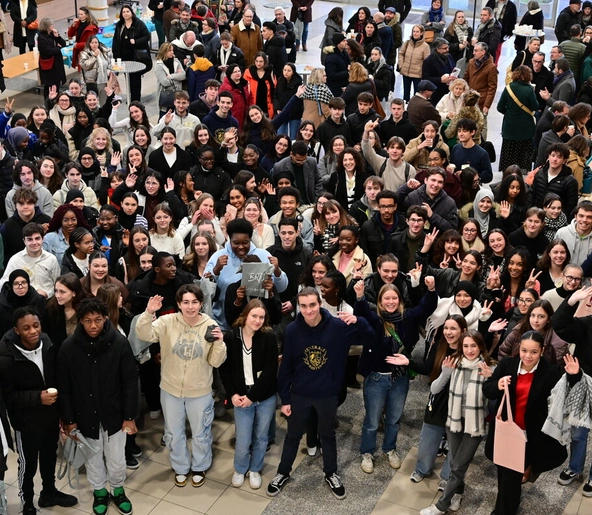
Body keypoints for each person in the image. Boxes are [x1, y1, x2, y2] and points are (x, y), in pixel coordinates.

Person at [266, 286, 373, 499]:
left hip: (327, 394)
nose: (308, 310)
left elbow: (370, 335)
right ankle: (283, 473)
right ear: (299, 306)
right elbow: (286, 367)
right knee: (293, 436)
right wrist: (285, 398)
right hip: (299, 393)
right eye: (303, 306)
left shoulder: (337, 326)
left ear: (320, 304)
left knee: (327, 435)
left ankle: (331, 473)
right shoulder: (292, 331)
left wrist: (358, 320)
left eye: (312, 305)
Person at [136, 285, 225, 487]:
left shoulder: (209, 325)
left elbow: (217, 361)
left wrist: (219, 343)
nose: (190, 307)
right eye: (185, 302)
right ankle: (180, 467)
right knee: (173, 432)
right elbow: (144, 334)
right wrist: (149, 312)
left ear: (201, 303)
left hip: (200, 390)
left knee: (200, 432)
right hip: (170, 389)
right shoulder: (167, 321)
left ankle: (200, 466)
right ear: (179, 304)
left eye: (194, 302)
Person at [484, 333, 581, 514]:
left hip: (528, 437)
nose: (528, 356)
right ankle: (506, 506)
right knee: (504, 474)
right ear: (519, 348)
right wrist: (498, 384)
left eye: (534, 352)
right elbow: (487, 390)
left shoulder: (550, 372)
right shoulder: (507, 365)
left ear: (542, 351)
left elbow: (569, 396)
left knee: (510, 478)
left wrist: (575, 376)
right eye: (524, 350)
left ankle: (502, 511)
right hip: (505, 431)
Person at [57, 297, 138, 515]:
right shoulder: (68, 348)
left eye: (98, 320)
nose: (94, 325)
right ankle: (100, 492)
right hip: (84, 416)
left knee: (117, 458)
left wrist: (130, 416)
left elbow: (130, 381)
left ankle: (118, 490)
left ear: (105, 319)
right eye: (88, 320)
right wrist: (69, 420)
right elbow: (64, 389)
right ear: (80, 321)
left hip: (115, 414)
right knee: (92, 459)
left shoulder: (119, 343)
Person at [355, 275, 438, 474]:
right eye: (386, 299)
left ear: (400, 301)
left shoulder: (407, 317)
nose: (391, 302)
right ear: (380, 302)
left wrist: (431, 290)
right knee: (372, 420)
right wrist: (359, 297)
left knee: (394, 418)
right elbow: (362, 314)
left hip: (400, 378)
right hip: (376, 377)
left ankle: (389, 449)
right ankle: (367, 452)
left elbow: (426, 308)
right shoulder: (376, 318)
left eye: (394, 299)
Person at [0, 306, 78, 515]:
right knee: (28, 463)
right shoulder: (6, 356)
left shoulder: (47, 343)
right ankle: (27, 502)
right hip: (26, 421)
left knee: (49, 456)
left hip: (50, 416)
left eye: (36, 325)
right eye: (26, 328)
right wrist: (38, 397)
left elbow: (55, 376)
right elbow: (8, 397)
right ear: (17, 330)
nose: (33, 331)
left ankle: (49, 492)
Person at [419, 330, 493, 515]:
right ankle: (458, 492)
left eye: (473, 346)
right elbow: (435, 390)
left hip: (474, 426)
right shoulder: (454, 363)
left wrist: (491, 379)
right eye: (465, 346)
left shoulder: (489, 367)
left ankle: (441, 506)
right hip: (453, 422)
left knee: (458, 466)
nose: (469, 350)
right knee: (455, 465)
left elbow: (493, 401)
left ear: (481, 347)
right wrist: (445, 373)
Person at [219, 299, 278, 489]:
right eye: (254, 316)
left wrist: (252, 397)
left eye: (262, 317)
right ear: (245, 315)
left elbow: (270, 371)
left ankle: (255, 469)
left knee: (261, 437)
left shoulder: (268, 337)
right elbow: (225, 370)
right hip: (240, 396)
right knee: (243, 439)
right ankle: (240, 468)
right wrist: (233, 394)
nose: (258, 320)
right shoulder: (231, 337)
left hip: (264, 397)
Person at [411, 315, 467, 485]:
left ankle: (447, 477)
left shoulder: (469, 350)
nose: (448, 332)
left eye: (453, 328)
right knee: (428, 439)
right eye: (446, 328)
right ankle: (422, 468)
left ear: (463, 331)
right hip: (438, 400)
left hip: (459, 405)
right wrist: (407, 361)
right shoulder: (440, 347)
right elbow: (428, 369)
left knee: (455, 446)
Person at [497, 65, 539, 172]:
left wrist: (509, 113)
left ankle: (507, 168)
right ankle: (522, 168)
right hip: (525, 127)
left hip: (509, 126)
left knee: (509, 149)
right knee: (524, 148)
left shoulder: (508, 88)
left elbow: (500, 107)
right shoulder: (529, 90)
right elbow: (535, 106)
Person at [1, 223, 60, 298]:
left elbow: (57, 283)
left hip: (47, 301)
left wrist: (47, 294)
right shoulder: (15, 260)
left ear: (43, 239)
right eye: (29, 239)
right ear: (24, 241)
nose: (34, 243)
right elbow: (4, 283)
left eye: (37, 238)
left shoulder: (51, 259)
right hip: (23, 302)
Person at [112, 5, 152, 102]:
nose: (125, 13)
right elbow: (116, 41)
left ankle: (136, 99)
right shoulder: (119, 25)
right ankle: (130, 98)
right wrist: (116, 56)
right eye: (124, 12)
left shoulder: (139, 24)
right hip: (124, 56)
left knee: (135, 79)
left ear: (131, 12)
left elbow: (147, 36)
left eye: (127, 11)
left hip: (136, 56)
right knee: (128, 78)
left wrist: (136, 41)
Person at [531, 143, 578, 222]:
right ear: (548, 157)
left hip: (556, 220)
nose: (555, 159)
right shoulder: (540, 174)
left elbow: (570, 207)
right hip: (537, 217)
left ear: (564, 160)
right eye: (553, 155)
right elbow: (532, 194)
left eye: (559, 157)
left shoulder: (570, 181)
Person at [449, 118, 493, 184]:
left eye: (464, 131)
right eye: (459, 131)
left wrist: (469, 176)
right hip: (456, 186)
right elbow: (452, 165)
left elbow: (488, 176)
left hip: (472, 189)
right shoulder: (456, 148)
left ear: (472, 132)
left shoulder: (482, 154)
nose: (461, 134)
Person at [399, 25, 431, 103]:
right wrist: (401, 65)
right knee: (406, 93)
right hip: (406, 72)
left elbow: (427, 61)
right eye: (414, 31)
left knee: (417, 94)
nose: (415, 33)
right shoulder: (407, 43)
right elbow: (401, 53)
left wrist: (423, 72)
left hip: (417, 74)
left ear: (421, 33)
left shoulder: (425, 46)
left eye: (417, 32)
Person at [37, 18, 67, 99]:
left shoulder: (52, 34)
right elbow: (48, 51)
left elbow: (63, 44)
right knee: (49, 84)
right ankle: (48, 101)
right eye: (51, 24)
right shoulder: (41, 37)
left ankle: (56, 99)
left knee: (56, 83)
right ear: (47, 26)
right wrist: (58, 48)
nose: (53, 26)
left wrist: (58, 37)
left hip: (56, 64)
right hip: (49, 65)